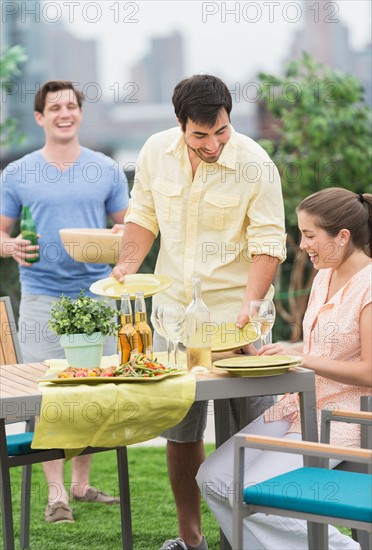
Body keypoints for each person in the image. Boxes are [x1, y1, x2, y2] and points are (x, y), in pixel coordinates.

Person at [112, 74, 286, 550]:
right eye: (201, 134)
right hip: (173, 320)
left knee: (246, 440)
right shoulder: (154, 151)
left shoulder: (256, 163)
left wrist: (250, 310)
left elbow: (269, 243)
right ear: (180, 125)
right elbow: (142, 215)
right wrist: (126, 265)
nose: (213, 144)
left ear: (231, 118)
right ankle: (191, 539)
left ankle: (246, 539)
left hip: (237, 322)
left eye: (222, 131)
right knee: (181, 430)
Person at [196, 188, 372, 549]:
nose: (302, 245)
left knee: (256, 494)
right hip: (298, 404)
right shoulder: (325, 275)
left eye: (310, 235)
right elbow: (321, 348)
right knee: (213, 477)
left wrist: (301, 359)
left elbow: (369, 372)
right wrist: (282, 349)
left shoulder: (369, 287)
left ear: (342, 236)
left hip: (343, 417)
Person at [0, 81, 129, 524]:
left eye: (71, 106)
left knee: (93, 390)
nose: (64, 113)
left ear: (80, 114)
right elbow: (0, 235)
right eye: (54, 107)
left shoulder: (106, 169)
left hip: (97, 294)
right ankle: (57, 495)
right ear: (40, 117)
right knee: (46, 396)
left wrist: (119, 239)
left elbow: (127, 230)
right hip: (41, 296)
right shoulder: (16, 173)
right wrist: (11, 245)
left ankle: (81, 482)